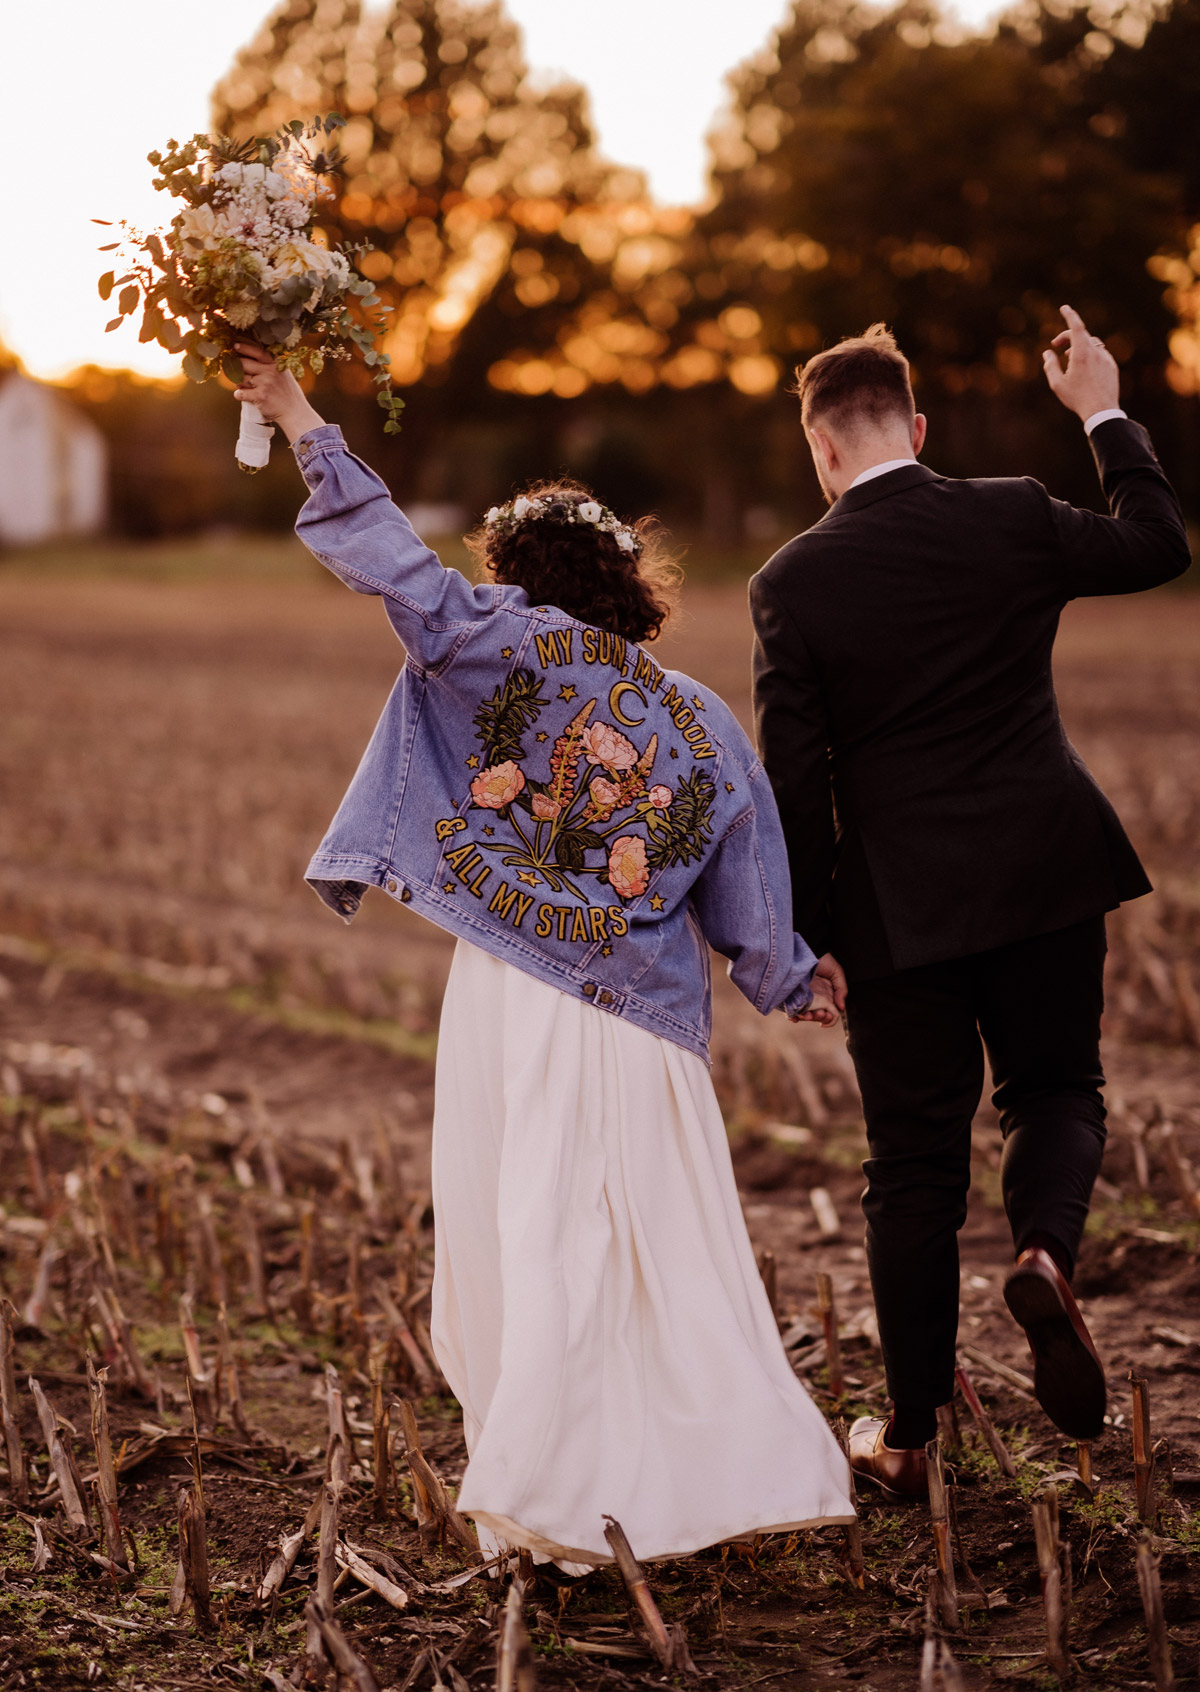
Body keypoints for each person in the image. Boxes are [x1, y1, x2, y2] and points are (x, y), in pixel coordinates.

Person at [233, 344, 856, 1566]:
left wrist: (302, 416)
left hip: (515, 990)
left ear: (516, 577)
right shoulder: (702, 718)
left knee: (527, 1228)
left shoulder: (486, 640)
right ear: (633, 589)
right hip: (647, 1017)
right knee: (647, 1251)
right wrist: (792, 977)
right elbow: (751, 871)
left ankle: (557, 1496)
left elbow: (387, 556)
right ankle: (665, 1480)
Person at [749, 308, 1190, 1497]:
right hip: (1048, 867)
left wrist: (806, 941)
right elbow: (1156, 545)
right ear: (919, 427)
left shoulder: (793, 580)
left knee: (914, 1175)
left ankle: (911, 1438)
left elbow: (796, 781)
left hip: (901, 914)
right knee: (1056, 1091)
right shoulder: (1007, 512)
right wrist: (1099, 407)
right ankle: (1046, 1251)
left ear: (822, 449)